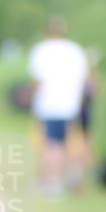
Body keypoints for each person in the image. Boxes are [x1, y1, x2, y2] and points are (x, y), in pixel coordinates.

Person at [28, 17, 89, 195]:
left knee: (52, 144)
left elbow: (37, 81)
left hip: (49, 105)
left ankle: (53, 183)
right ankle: (71, 179)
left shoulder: (41, 50)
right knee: (69, 143)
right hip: (71, 105)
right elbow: (85, 80)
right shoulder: (76, 50)